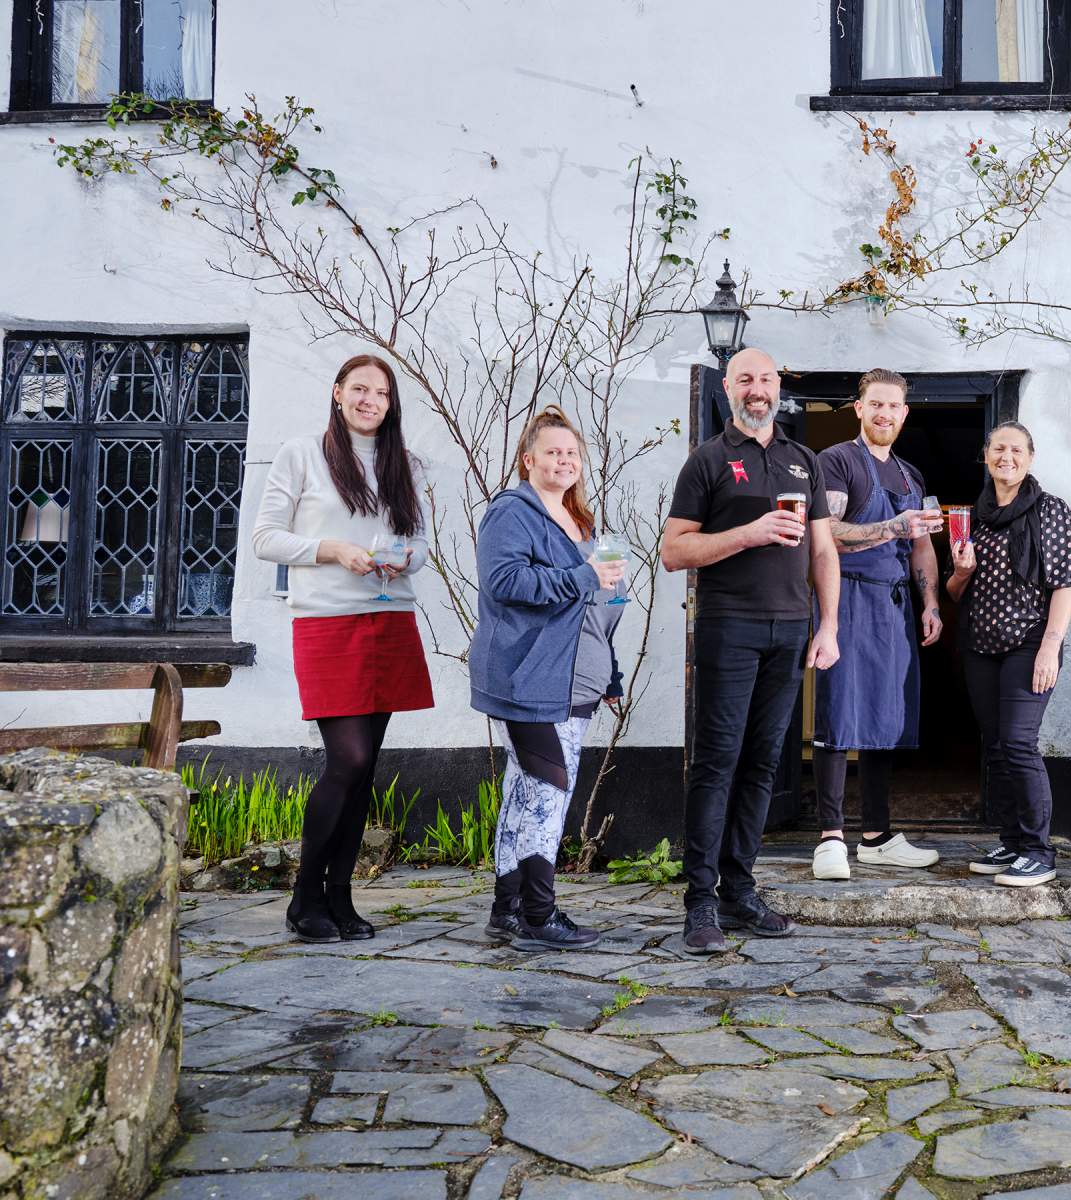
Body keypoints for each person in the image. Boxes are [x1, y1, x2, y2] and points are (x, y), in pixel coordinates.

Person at [662, 347, 840, 953]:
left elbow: (822, 551)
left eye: (765, 379)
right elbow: (674, 551)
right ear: (729, 388)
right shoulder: (707, 460)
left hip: (790, 630)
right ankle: (700, 902)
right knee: (717, 763)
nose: (756, 389)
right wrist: (749, 533)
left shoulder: (802, 460)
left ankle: (740, 888)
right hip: (729, 627)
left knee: (764, 763)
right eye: (745, 379)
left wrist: (829, 626)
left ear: (779, 386)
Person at [253, 353, 433, 943]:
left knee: (365, 770)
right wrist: (331, 549)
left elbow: (421, 542)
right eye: (359, 389)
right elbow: (265, 538)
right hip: (329, 622)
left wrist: (404, 558)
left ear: (390, 403)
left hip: (388, 617)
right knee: (347, 760)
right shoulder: (302, 453)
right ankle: (305, 898)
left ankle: (340, 898)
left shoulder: (402, 463)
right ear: (337, 393)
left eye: (381, 393)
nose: (369, 401)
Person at [469, 406, 627, 951]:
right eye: (553, 451)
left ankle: (505, 910)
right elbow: (505, 580)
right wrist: (585, 575)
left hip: (575, 681)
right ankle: (539, 914)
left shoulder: (578, 521)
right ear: (527, 459)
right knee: (547, 793)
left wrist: (610, 669)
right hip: (530, 677)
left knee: (524, 790)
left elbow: (591, 608)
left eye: (572, 453)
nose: (564, 460)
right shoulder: (512, 513)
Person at [811, 368, 944, 880]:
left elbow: (922, 546)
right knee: (840, 712)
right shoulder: (837, 461)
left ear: (904, 414)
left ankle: (876, 836)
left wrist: (929, 604)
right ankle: (829, 839)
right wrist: (892, 524)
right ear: (859, 408)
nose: (885, 413)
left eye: (894, 406)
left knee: (885, 718)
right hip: (847, 599)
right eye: (876, 404)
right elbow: (830, 535)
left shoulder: (912, 475)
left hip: (894, 608)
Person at [945, 421, 1071, 887]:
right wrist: (962, 572)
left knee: (1020, 742)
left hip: (1030, 642)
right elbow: (953, 589)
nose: (1007, 456)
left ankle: (1038, 851)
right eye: (999, 448)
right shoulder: (975, 515)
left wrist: (1051, 645)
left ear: (1030, 457)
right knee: (997, 747)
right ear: (985, 455)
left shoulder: (1050, 511)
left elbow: (1066, 582)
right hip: (981, 645)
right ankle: (1011, 841)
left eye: (1017, 449)